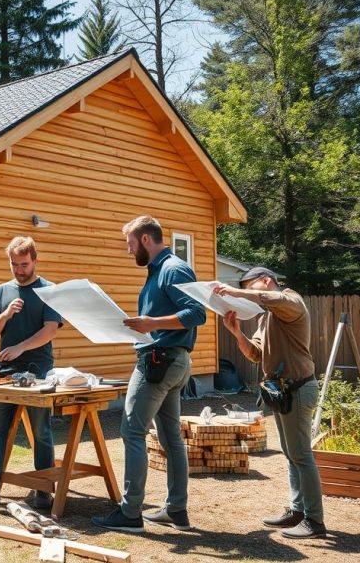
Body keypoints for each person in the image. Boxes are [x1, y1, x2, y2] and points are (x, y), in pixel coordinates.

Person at [92, 215, 205, 533]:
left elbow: (197, 314)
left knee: (132, 433)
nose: (129, 251)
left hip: (159, 363)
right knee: (172, 440)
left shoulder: (173, 268)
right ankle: (176, 510)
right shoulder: (160, 272)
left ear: (144, 239)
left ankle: (130, 513)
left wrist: (151, 324)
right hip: (169, 362)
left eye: (129, 244)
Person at [213, 267, 326, 538]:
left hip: (298, 389)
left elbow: (271, 299)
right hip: (282, 392)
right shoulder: (266, 319)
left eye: (251, 288)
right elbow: (254, 354)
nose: (248, 296)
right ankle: (297, 511)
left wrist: (232, 291)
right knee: (291, 455)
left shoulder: (291, 300)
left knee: (301, 455)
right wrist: (236, 332)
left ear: (266, 281)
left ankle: (315, 521)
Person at [0, 236, 63, 510]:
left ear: (35, 260)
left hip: (39, 369)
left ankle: (43, 489)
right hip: (4, 371)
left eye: (24, 264)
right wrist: (5, 314)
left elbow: (50, 330)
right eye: (14, 264)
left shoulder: (49, 290)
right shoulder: (1, 291)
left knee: (41, 430)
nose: (19, 270)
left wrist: (20, 347)